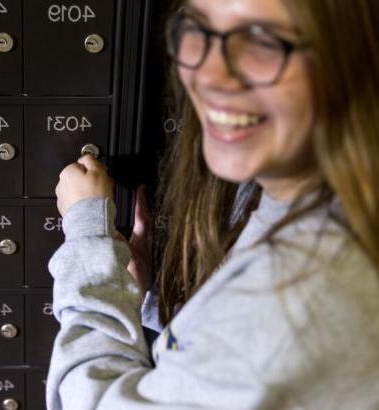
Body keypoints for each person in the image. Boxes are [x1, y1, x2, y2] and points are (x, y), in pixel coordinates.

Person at [46, 0, 379, 408]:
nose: (210, 75)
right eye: (198, 29)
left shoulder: (299, 301)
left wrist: (88, 237)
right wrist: (149, 303)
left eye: (263, 41)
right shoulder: (319, 202)